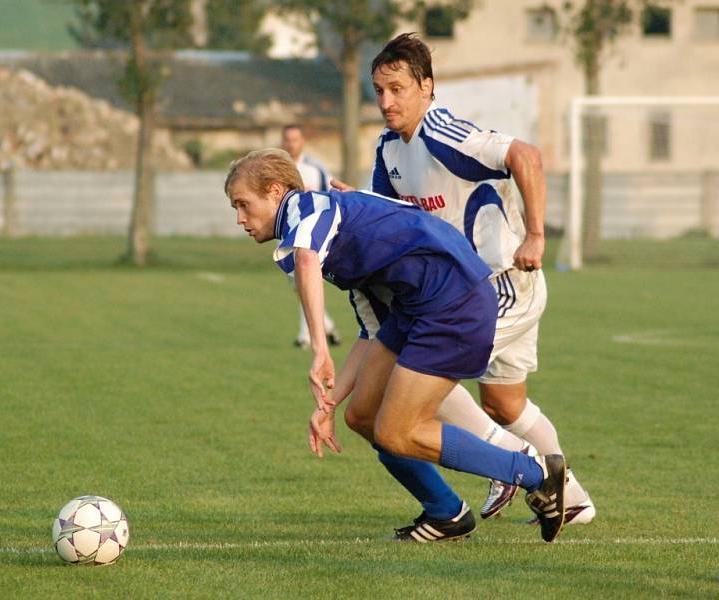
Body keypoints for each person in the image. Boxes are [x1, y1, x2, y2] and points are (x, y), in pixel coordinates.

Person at [224, 147, 568, 543]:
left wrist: (319, 349)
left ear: (274, 191)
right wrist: (327, 404)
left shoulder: (307, 207)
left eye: (243, 205)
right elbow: (371, 333)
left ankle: (536, 474)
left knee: (395, 430)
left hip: (453, 300)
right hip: (419, 308)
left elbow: (306, 261)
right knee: (363, 417)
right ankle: (447, 514)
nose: (240, 219)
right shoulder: (328, 239)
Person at [333, 32, 595, 525]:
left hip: (500, 285)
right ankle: (574, 500)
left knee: (418, 369)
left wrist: (536, 235)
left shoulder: (442, 132)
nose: (386, 101)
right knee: (503, 402)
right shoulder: (390, 149)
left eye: (397, 89)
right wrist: (357, 203)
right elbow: (393, 218)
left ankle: (507, 467)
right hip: (466, 290)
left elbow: (527, 156)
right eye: (379, 90)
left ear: (427, 87)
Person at [280, 124, 342, 350]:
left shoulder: (316, 169)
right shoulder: (277, 170)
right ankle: (327, 326)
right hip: (287, 236)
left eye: (294, 139)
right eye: (287, 139)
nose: (290, 144)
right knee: (300, 285)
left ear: (302, 141)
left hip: (312, 236)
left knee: (305, 280)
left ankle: (306, 336)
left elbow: (331, 197)